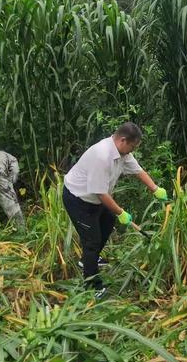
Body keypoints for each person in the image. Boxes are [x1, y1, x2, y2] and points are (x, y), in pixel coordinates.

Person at [62, 122, 168, 298]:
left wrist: (155, 189)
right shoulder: (102, 156)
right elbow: (101, 193)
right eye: (132, 147)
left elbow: (138, 171)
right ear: (123, 140)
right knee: (92, 241)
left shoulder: (123, 152)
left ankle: (91, 259)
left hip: (95, 198)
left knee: (108, 221)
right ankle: (92, 286)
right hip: (78, 199)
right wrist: (121, 212)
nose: (132, 151)